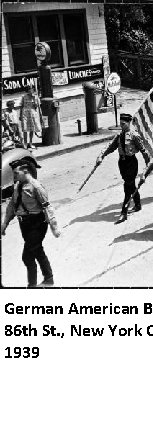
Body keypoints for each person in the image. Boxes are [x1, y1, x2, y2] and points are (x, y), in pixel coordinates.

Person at [1, 155, 60, 287]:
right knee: (37, 250)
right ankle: (49, 279)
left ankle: (32, 286)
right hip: (24, 224)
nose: (14, 177)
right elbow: (12, 205)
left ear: (26, 171)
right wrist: (4, 223)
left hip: (37, 224)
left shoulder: (36, 187)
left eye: (16, 173)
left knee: (27, 256)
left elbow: (47, 207)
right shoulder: (17, 185)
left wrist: (54, 227)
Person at [96, 112, 151, 223]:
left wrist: (148, 165)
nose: (122, 126)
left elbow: (143, 151)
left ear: (129, 123)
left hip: (131, 163)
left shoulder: (134, 135)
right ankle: (138, 204)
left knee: (127, 187)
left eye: (124, 124)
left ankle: (123, 213)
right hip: (122, 163)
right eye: (121, 124)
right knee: (130, 184)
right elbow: (110, 147)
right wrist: (101, 156)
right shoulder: (119, 136)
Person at [19, 84, 41, 149]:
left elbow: (36, 107)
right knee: (25, 129)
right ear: (27, 90)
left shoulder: (35, 97)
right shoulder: (23, 97)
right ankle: (25, 144)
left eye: (32, 90)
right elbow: (21, 106)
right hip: (25, 113)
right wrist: (20, 115)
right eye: (29, 90)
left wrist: (34, 100)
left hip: (32, 113)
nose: (30, 91)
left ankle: (31, 143)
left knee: (32, 129)